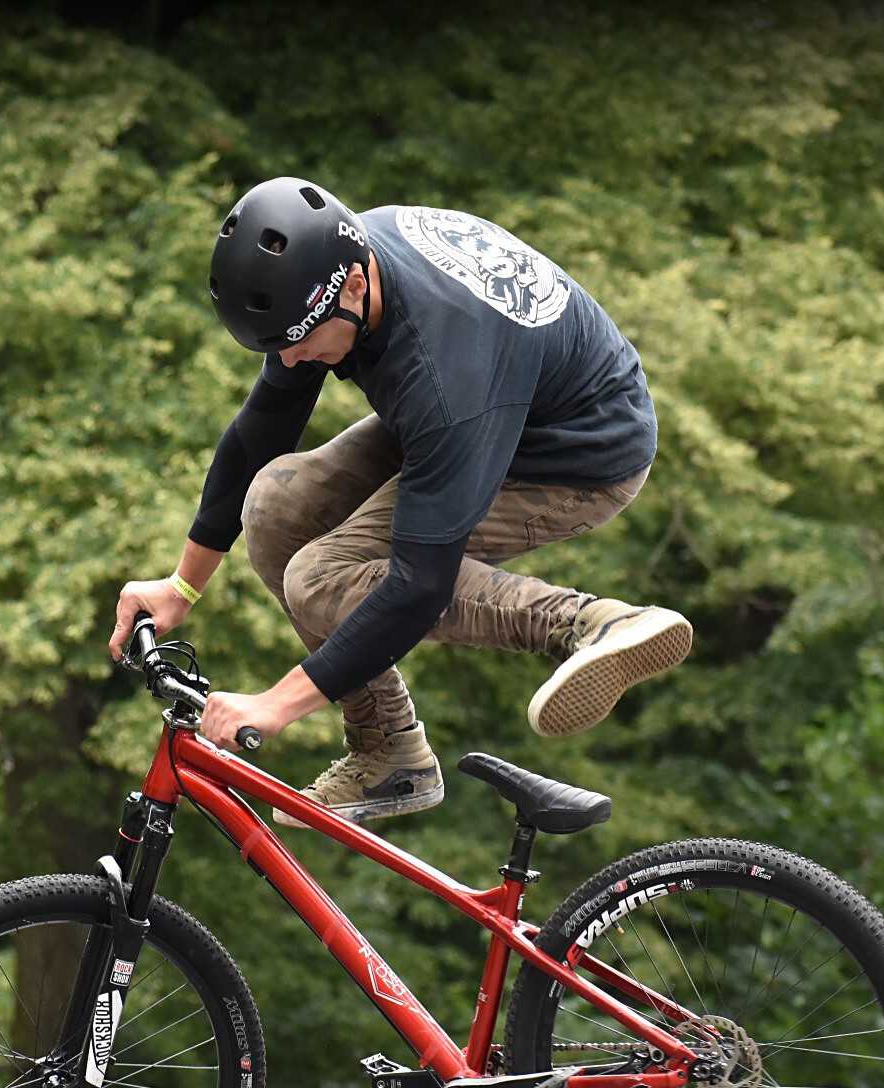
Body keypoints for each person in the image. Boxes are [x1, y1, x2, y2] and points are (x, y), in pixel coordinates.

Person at [108, 177, 690, 827]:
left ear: (356, 286)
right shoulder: (330, 269)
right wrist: (182, 587)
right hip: (490, 401)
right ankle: (389, 751)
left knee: (320, 578)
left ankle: (593, 624)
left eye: (300, 339)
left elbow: (418, 588)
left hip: (575, 455)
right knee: (276, 507)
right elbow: (261, 431)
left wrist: (277, 703)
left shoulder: (444, 368)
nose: (292, 360)